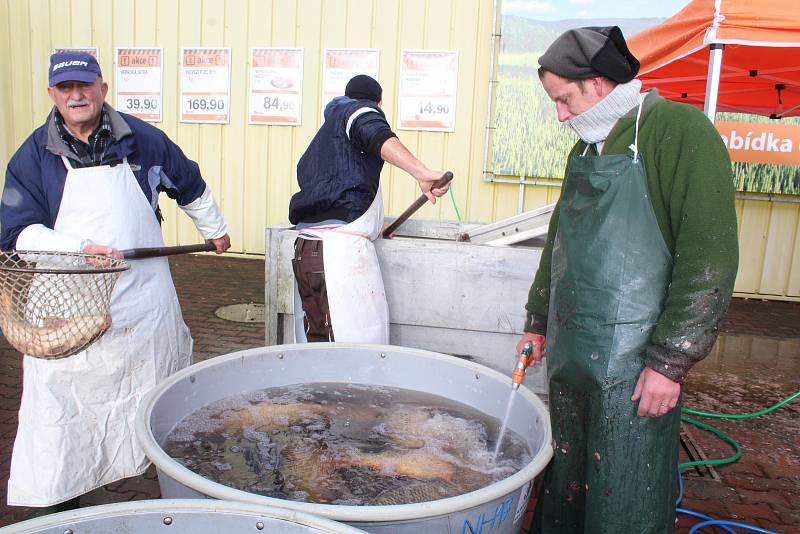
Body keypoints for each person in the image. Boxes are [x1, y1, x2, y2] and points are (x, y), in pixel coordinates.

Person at [515, 27, 739, 533]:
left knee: (624, 485)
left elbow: (709, 257)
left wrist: (672, 360)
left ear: (597, 83)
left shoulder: (678, 130)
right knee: (569, 476)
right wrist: (537, 320)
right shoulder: (586, 149)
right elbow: (559, 245)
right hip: (574, 352)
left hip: (637, 365)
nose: (561, 115)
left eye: (564, 100)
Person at [0, 51, 231, 514]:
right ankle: (65, 504)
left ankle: (166, 492)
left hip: (143, 304)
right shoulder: (32, 157)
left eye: (85, 86)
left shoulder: (142, 139)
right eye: (66, 89)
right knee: (65, 413)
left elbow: (188, 182)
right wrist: (81, 248)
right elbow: (15, 232)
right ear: (53, 96)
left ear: (103, 89)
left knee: (153, 400)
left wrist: (215, 230)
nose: (77, 95)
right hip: (70, 308)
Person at [288, 74, 448, 344]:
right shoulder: (355, 111)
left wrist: (374, 226)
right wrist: (421, 172)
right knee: (352, 353)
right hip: (337, 257)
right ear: (379, 103)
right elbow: (372, 129)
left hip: (311, 249)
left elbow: (340, 193)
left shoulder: (326, 140)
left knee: (319, 348)